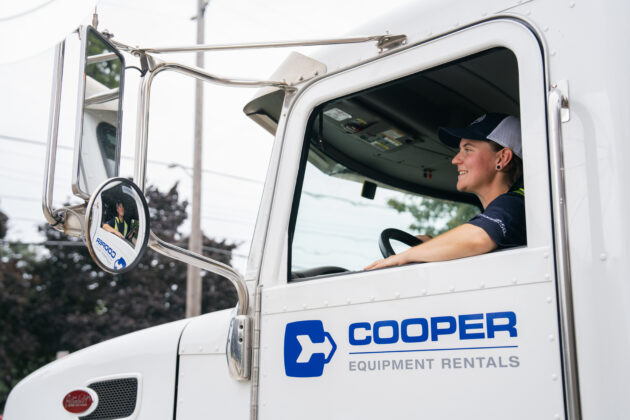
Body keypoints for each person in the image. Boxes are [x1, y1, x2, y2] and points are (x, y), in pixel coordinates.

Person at [365, 113, 525, 270]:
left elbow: (478, 238)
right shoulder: (501, 219)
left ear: (502, 158)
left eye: (468, 150)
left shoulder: (517, 204)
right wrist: (432, 246)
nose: (455, 160)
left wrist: (405, 256)